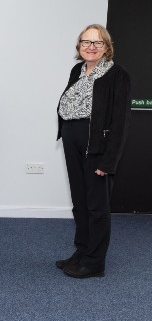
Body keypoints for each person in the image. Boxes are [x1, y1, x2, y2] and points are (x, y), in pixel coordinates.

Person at [56, 24, 131, 278]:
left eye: (97, 43)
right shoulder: (77, 70)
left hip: (97, 146)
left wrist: (109, 161)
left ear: (106, 47)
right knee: (80, 203)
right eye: (86, 42)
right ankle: (82, 252)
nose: (90, 47)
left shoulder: (117, 75)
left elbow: (120, 122)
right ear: (79, 46)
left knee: (97, 207)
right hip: (72, 140)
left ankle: (95, 262)